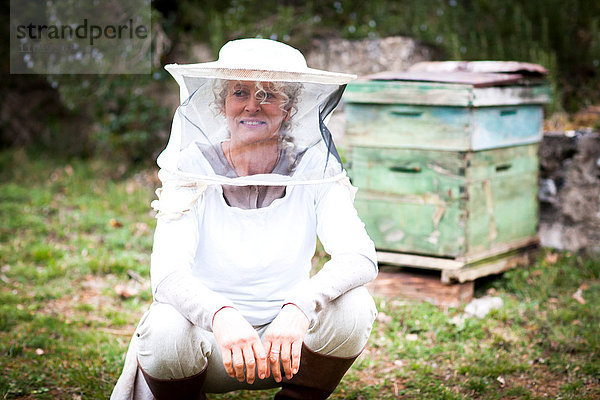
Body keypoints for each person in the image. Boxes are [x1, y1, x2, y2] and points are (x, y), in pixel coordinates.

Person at [111, 38, 378, 400]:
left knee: (355, 306)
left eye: (269, 94)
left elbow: (359, 257)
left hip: (288, 344)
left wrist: (299, 308)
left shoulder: (314, 165)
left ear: (290, 108)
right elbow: (167, 274)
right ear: (223, 104)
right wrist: (221, 316)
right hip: (213, 344)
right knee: (164, 328)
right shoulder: (192, 166)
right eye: (240, 92)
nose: (253, 104)